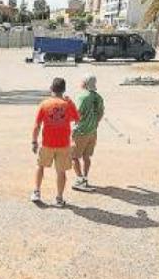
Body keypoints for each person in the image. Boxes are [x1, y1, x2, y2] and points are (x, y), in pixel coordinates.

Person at [31, 78, 79, 207]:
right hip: (63, 144)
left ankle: (36, 191)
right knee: (61, 172)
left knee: (40, 166)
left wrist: (34, 141)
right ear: (64, 90)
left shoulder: (44, 104)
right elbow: (77, 118)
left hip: (47, 143)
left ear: (51, 88)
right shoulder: (68, 104)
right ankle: (59, 198)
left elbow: (37, 125)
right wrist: (70, 101)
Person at [71, 75, 105, 191]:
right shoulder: (98, 97)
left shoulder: (82, 97)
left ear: (85, 83)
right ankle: (85, 177)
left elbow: (77, 114)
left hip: (81, 131)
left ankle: (80, 179)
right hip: (92, 132)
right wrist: (94, 124)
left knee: (74, 156)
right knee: (87, 156)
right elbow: (101, 114)